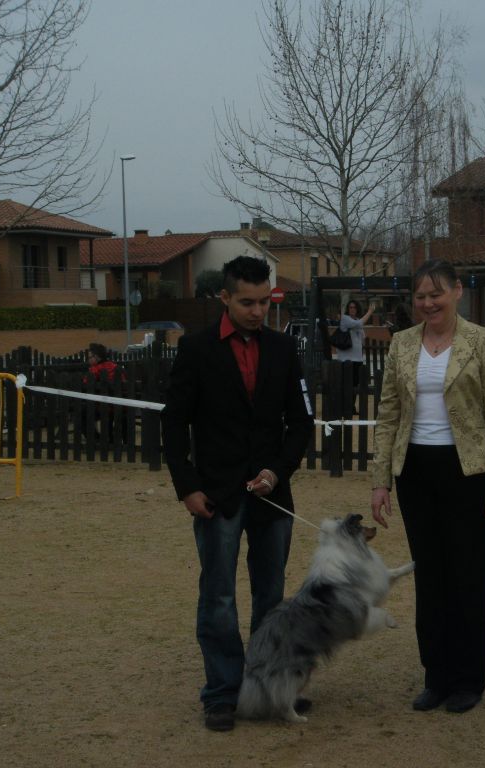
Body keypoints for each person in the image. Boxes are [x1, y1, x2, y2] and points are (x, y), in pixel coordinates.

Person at [163, 255, 313, 733]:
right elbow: (172, 423)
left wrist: (277, 470)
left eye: (264, 302)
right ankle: (223, 694)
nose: (257, 311)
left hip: (273, 496)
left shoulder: (284, 350)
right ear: (224, 298)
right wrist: (187, 486)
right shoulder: (196, 349)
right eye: (246, 302)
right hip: (216, 495)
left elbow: (301, 424)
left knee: (272, 600)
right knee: (219, 598)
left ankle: (268, 691)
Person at [370, 259, 485, 715]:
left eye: (436, 294)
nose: (428, 303)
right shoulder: (401, 344)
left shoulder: (482, 342)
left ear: (457, 291)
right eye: (420, 296)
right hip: (415, 471)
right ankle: (436, 676)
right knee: (429, 578)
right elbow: (388, 414)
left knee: (467, 576)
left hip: (467, 472)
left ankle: (469, 679)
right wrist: (381, 482)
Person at [332, 299, 376, 386]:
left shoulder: (357, 320)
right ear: (347, 309)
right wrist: (370, 312)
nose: (352, 309)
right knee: (347, 385)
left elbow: (362, 337)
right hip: (346, 359)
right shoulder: (345, 319)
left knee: (355, 385)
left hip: (357, 359)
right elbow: (359, 324)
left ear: (357, 309)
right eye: (350, 307)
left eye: (354, 307)